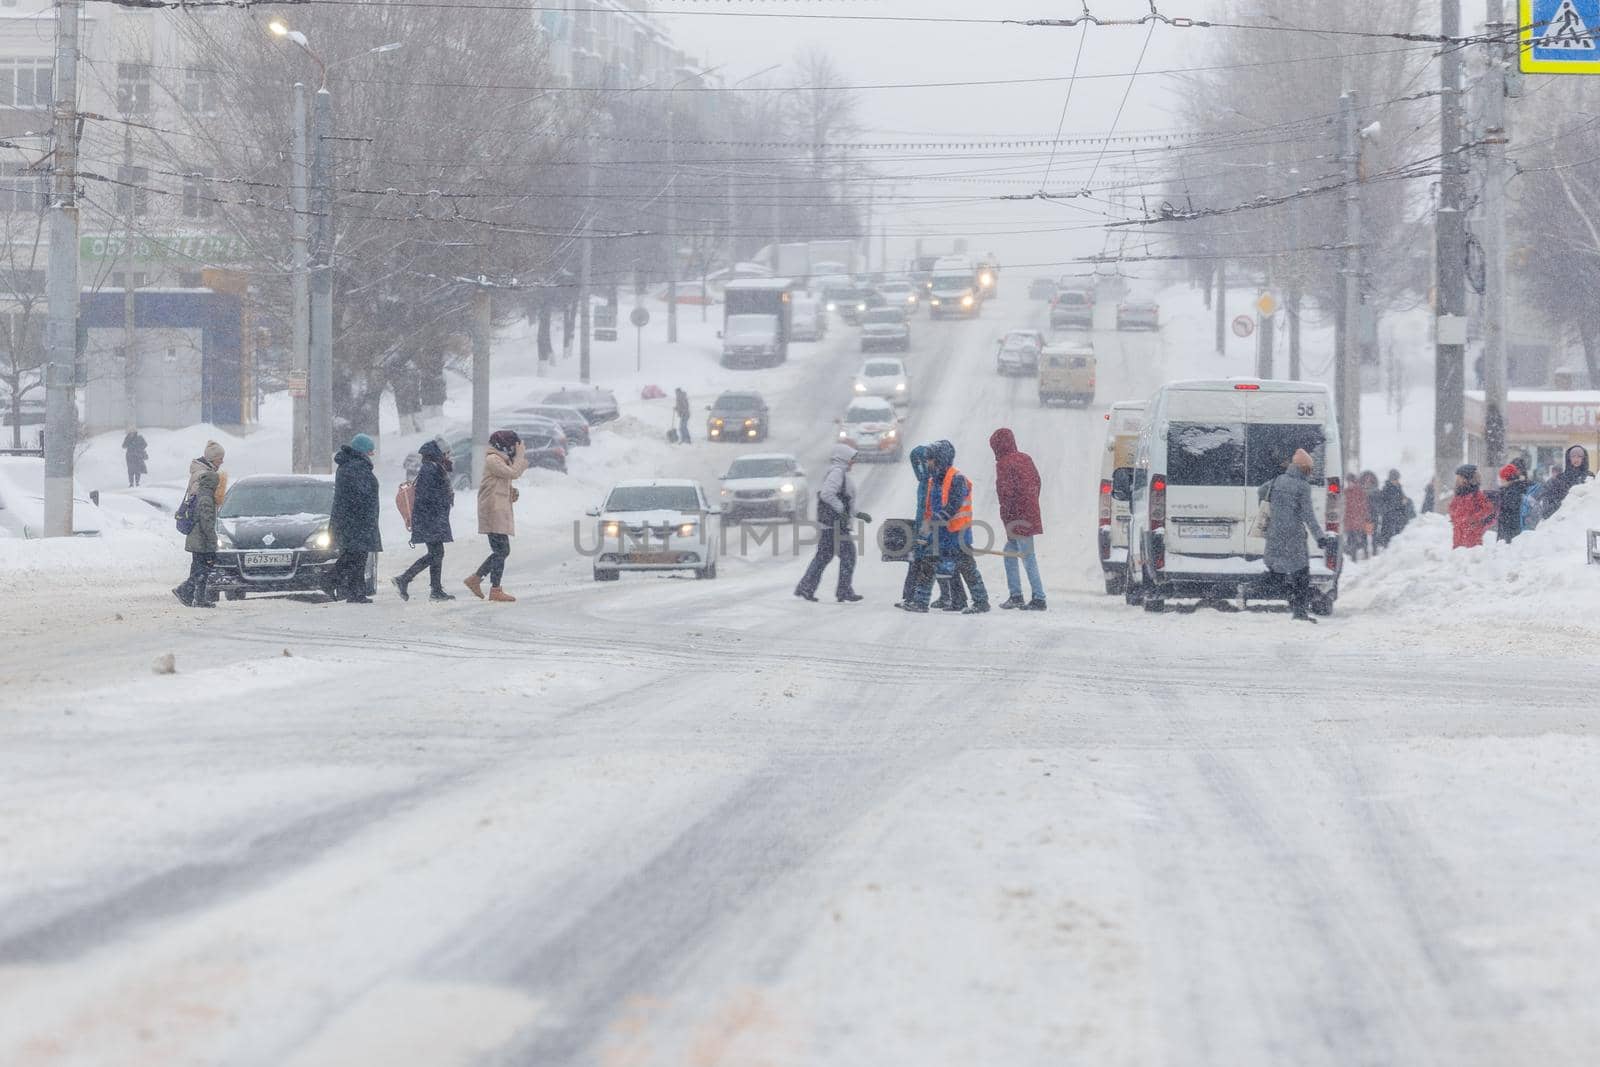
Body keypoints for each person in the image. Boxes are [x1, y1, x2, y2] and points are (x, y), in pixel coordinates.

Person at [1259, 447, 1332, 623]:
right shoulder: (1302, 486)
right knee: (1302, 574)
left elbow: (1261, 492)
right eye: (1309, 468)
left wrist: (1273, 513)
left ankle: (1258, 589)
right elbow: (1308, 515)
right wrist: (1320, 537)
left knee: (1277, 570)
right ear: (1303, 468)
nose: (1310, 472)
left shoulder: (1276, 481)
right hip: (1293, 537)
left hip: (1275, 534)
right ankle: (1299, 611)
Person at [795, 443, 867, 603]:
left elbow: (844, 499)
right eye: (851, 459)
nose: (853, 462)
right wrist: (841, 510)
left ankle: (806, 587)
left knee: (823, 556)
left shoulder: (839, 473)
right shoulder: (837, 473)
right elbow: (827, 494)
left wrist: (857, 513)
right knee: (848, 557)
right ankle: (843, 591)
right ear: (844, 458)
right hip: (835, 525)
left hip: (832, 525)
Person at [926, 439, 990, 615]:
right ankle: (958, 600)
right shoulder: (936, 480)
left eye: (930, 459)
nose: (927, 463)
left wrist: (940, 517)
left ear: (939, 459)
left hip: (959, 532)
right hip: (944, 532)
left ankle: (981, 601)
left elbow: (954, 504)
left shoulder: (957, 478)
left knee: (967, 567)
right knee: (950, 568)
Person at [465, 429, 528, 602]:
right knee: (502, 550)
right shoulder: (493, 459)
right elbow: (513, 473)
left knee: (501, 550)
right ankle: (490, 586)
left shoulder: (500, 460)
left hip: (497, 509)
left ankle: (479, 580)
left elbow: (503, 480)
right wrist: (520, 456)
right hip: (492, 511)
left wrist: (510, 492)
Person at [392, 439, 455, 602]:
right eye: (446, 453)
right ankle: (404, 579)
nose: (449, 456)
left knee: (436, 553)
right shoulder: (430, 469)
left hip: (431, 518)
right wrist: (443, 501)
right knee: (436, 553)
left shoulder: (434, 468)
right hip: (430, 519)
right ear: (438, 454)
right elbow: (427, 496)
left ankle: (435, 589)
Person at [990, 427, 1046, 610]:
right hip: (1029, 513)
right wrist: (1031, 503)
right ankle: (1016, 595)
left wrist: (1009, 521)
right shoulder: (1025, 458)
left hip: (1017, 517)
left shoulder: (1004, 464)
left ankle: (1038, 597)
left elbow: (1005, 495)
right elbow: (1037, 482)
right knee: (1010, 553)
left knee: (1027, 556)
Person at [172, 440, 226, 608]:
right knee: (202, 566)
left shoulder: (202, 474)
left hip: (197, 531)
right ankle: (185, 590)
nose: (222, 462)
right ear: (213, 459)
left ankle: (197, 597)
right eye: (220, 459)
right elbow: (204, 512)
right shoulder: (205, 478)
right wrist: (211, 537)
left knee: (200, 565)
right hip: (199, 531)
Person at [330, 433, 382, 603]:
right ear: (362, 451)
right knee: (355, 557)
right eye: (370, 451)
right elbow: (361, 495)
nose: (371, 455)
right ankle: (328, 580)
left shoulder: (350, 465)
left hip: (352, 520)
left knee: (357, 557)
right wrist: (365, 515)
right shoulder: (356, 467)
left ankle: (355, 593)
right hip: (356, 521)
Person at [895, 445, 933, 610]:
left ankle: (913, 597)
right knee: (923, 562)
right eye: (916, 464)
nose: (919, 467)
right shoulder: (925, 482)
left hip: (928, 526)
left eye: (921, 463)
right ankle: (910, 596)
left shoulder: (932, 481)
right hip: (923, 526)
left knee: (923, 562)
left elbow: (929, 508)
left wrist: (924, 528)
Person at [1448, 464, 1496, 549]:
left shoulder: (1476, 495)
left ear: (1467, 479)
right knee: (1458, 555)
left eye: (1459, 478)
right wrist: (1454, 517)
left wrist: (1474, 518)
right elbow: (1452, 507)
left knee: (1472, 555)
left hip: (1472, 532)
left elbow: (1488, 508)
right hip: (1458, 532)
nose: (1457, 480)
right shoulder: (1459, 494)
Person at [1540, 445, 1592, 519]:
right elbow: (1551, 499)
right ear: (1569, 458)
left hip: (1584, 518)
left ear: (1584, 459)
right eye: (1573, 456)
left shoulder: (1590, 477)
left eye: (1579, 456)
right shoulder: (1561, 478)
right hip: (1564, 519)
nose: (1576, 459)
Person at [1374, 469, 1414, 551]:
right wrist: (1400, 503)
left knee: (1398, 544)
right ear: (1391, 479)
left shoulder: (1399, 488)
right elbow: (1386, 506)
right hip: (1389, 521)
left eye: (1397, 479)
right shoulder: (1386, 490)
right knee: (1390, 544)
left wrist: (1407, 502)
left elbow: (1401, 500)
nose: (1396, 481)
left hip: (1399, 520)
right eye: (1395, 479)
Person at [1494, 461, 1531, 545]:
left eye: (1501, 479)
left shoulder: (1512, 492)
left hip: (1510, 532)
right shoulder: (1513, 489)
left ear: (1507, 479)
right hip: (1510, 530)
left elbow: (1508, 510)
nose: (1500, 481)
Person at [1342, 472, 1372, 560]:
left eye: (1351, 481)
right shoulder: (1346, 492)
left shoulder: (1360, 491)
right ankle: (1353, 557)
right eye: (1348, 482)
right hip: (1350, 521)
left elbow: (1364, 505)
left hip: (1359, 520)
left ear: (1354, 481)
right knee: (1352, 540)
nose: (1349, 483)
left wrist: (1366, 515)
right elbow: (1344, 506)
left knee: (1363, 538)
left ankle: (1366, 555)